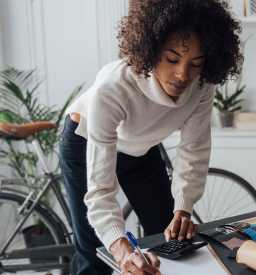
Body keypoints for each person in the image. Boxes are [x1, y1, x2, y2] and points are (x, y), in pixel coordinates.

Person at [59, 0, 242, 274]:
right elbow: (100, 191)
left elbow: (194, 150)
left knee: (170, 236)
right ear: (151, 49)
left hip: (140, 149)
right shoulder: (113, 89)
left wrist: (183, 208)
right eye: (172, 59)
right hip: (84, 140)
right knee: (96, 252)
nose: (183, 74)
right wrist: (122, 250)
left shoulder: (202, 85)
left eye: (196, 63)